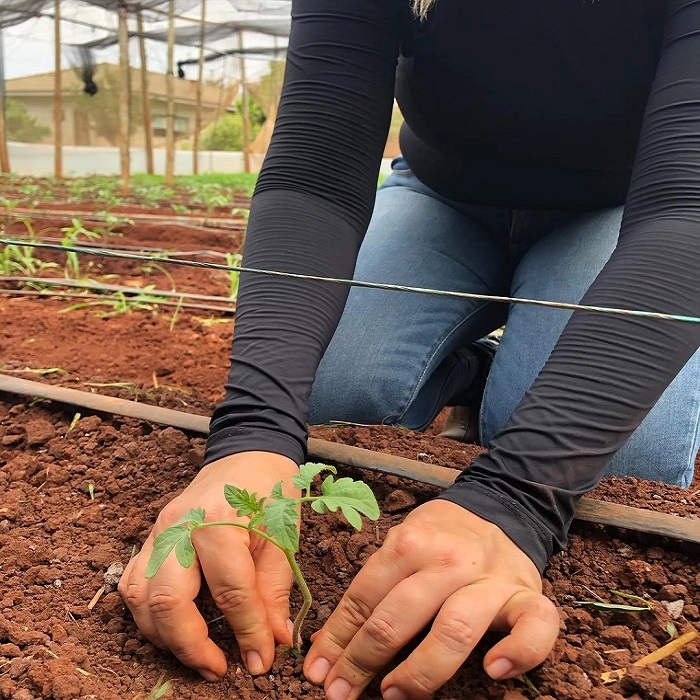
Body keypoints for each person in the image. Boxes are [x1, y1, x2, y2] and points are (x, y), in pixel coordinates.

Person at [119, 1, 700, 698]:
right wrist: (249, 433)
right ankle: (485, 374)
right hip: (443, 192)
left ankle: (531, 380)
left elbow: (685, 207)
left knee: (627, 460)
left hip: (628, 209)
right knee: (331, 393)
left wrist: (519, 496)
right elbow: (315, 172)